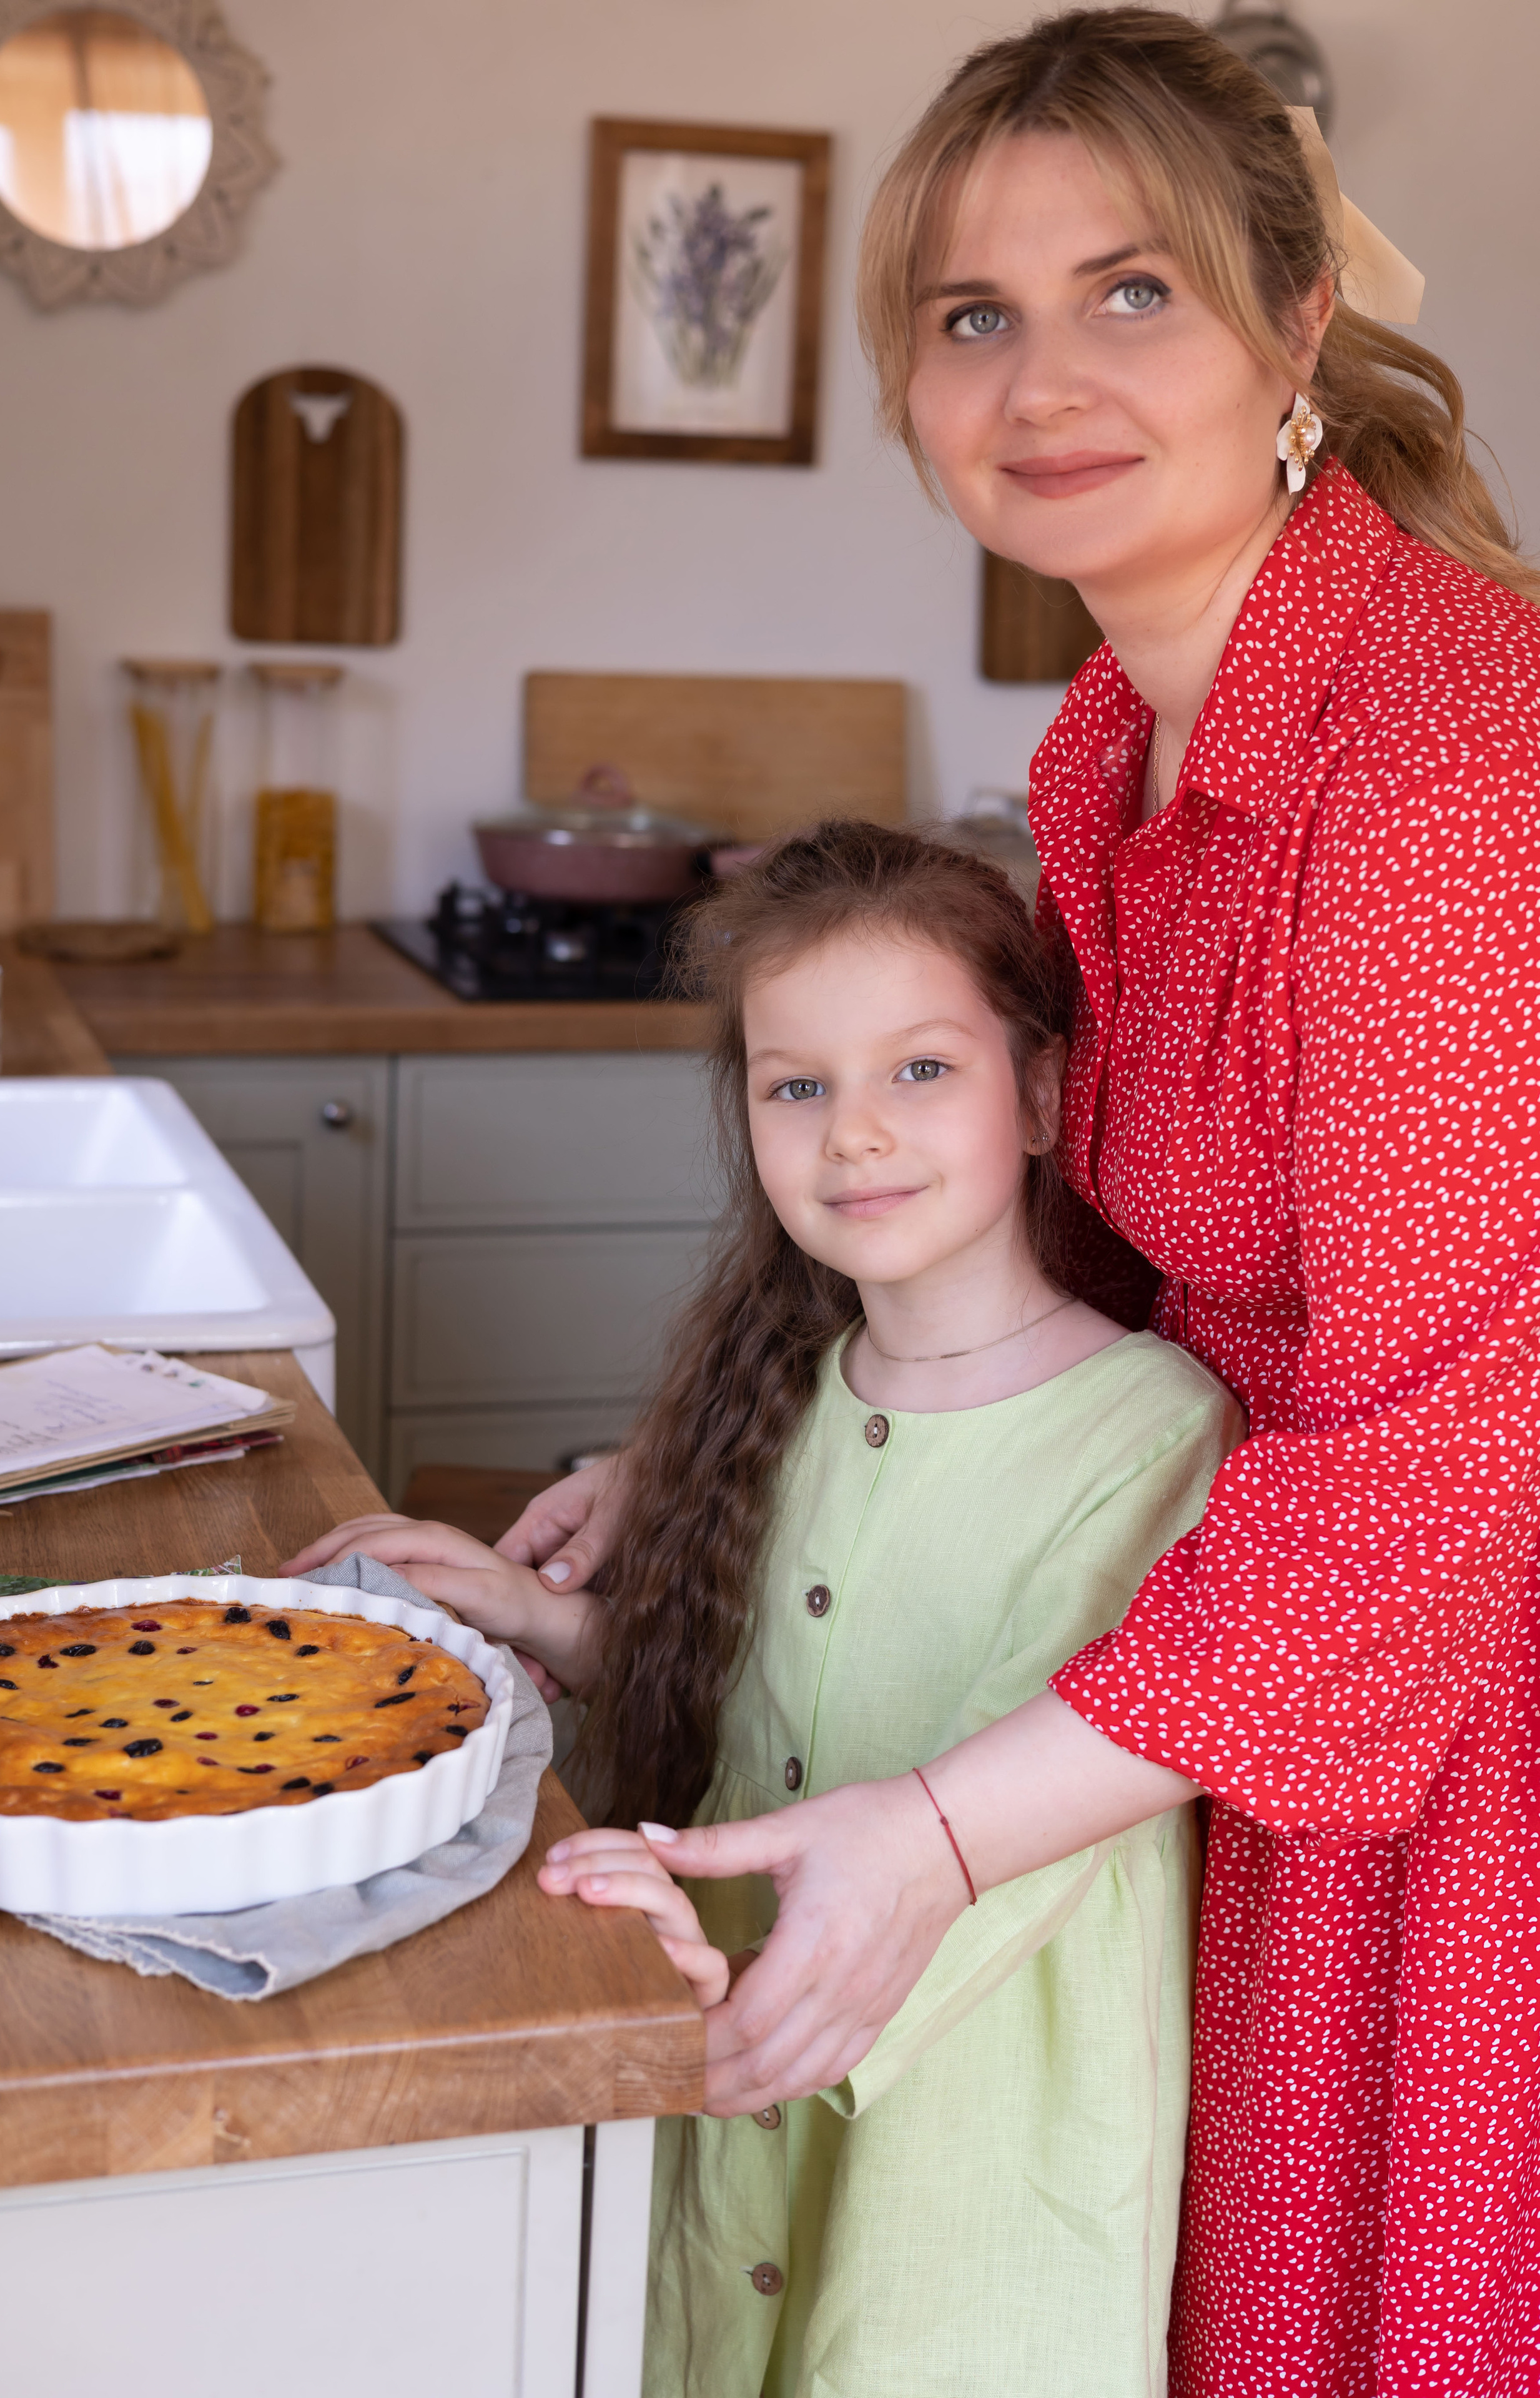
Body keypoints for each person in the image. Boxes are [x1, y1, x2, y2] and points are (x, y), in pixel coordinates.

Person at [496, 12, 1540, 2395]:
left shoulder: (1454, 755)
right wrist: (724, 1485)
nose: (1043, 378)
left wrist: (945, 1838)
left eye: (1132, 292)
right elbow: (1098, 1249)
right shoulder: (1109, 742)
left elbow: (1442, 1464)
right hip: (1225, 1682)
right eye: (975, 316)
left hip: (1462, 1746)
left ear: (1295, 327)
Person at [287, 821, 1241, 2397]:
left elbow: (1020, 1832)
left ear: (1047, 1095)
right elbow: (782, 1703)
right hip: (723, 2099)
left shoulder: (1146, 1429)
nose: (853, 1134)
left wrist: (734, 1983)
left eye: (919, 1070)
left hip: (969, 2169)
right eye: (797, 1085)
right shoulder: (781, 1391)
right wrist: (544, 1622)